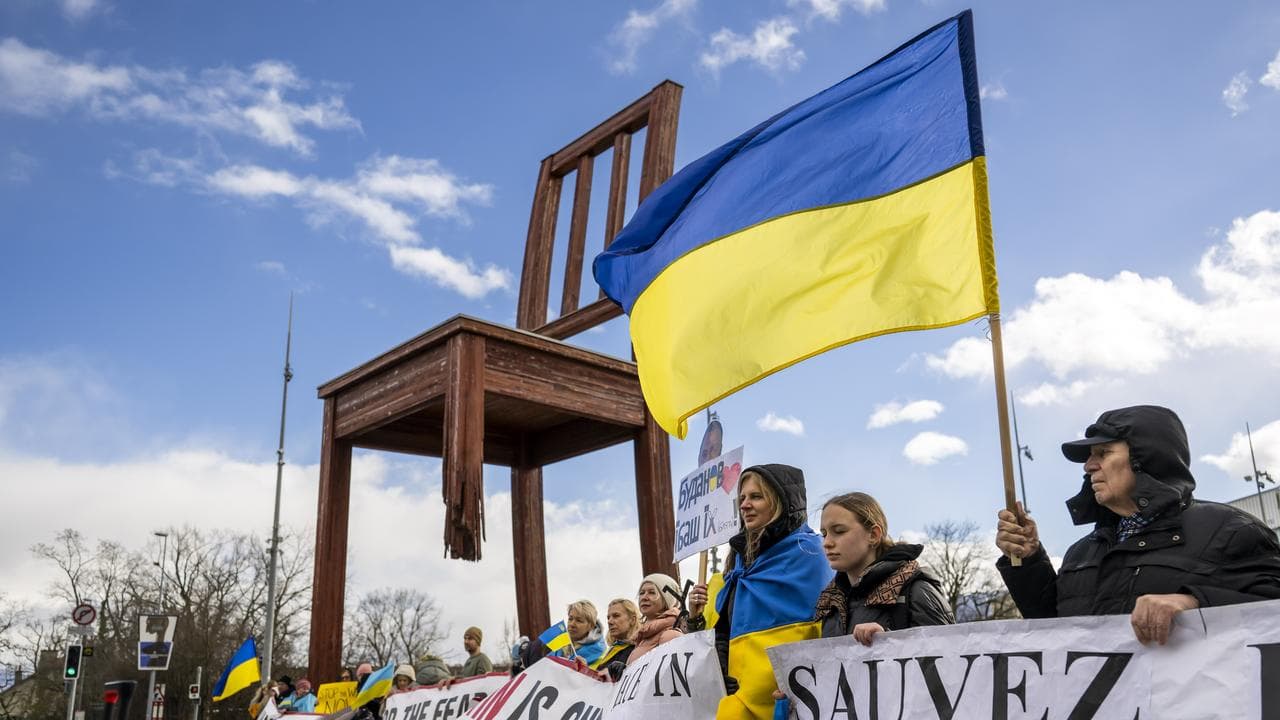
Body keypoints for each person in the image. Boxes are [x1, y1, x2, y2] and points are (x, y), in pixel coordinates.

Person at [996, 405, 1280, 645]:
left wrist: (1194, 603)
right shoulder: (1080, 553)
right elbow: (1053, 633)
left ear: (1145, 458)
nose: (1088, 466)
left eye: (1103, 453)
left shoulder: (1231, 531)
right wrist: (1028, 560)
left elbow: (1271, 610)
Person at [687, 464, 831, 719]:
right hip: (742, 702)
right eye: (742, 498)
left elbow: (832, 631)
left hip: (799, 701)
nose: (744, 505)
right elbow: (723, 633)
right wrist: (721, 672)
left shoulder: (813, 553)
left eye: (756, 496)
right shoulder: (740, 566)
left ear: (782, 502)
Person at [814, 492, 953, 643]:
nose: (827, 543)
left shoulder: (916, 591)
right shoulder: (830, 603)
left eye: (839, 531)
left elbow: (948, 652)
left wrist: (887, 643)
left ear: (873, 535)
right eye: (824, 534)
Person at [626, 573, 685, 666]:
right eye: (642, 593)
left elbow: (670, 672)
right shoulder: (644, 635)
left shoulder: (670, 635)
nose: (644, 597)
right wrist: (624, 669)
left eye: (652, 592)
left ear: (667, 599)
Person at [549, 600, 607, 666]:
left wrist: (584, 669)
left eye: (579, 620)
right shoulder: (560, 643)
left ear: (591, 626)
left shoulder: (600, 654)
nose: (572, 624)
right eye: (570, 619)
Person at [591, 598, 640, 672]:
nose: (609, 621)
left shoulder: (638, 651)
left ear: (632, 620)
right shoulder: (610, 650)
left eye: (616, 616)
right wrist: (582, 667)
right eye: (608, 618)